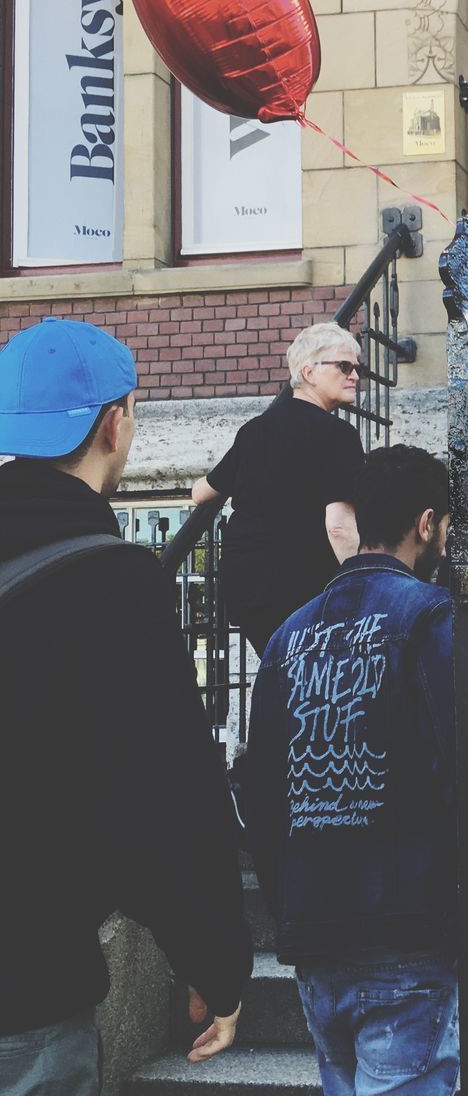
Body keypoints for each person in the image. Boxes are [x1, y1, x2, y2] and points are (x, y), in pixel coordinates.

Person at [0, 318, 252, 1095]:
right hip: (27, 985)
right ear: (115, 424)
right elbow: (161, 799)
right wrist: (214, 960)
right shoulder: (111, 584)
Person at [236, 444, 468, 1096]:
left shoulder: (286, 638)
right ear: (427, 524)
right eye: (445, 526)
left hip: (317, 935)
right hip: (407, 930)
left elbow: (264, 795)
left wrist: (289, 911)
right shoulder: (434, 619)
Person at [193, 322, 365, 656]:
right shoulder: (338, 434)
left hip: (245, 588)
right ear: (309, 372)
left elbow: (201, 493)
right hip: (304, 588)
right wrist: (366, 588)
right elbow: (340, 526)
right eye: (344, 366)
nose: (355, 375)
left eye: (358, 367)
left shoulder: (254, 431)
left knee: (286, 678)